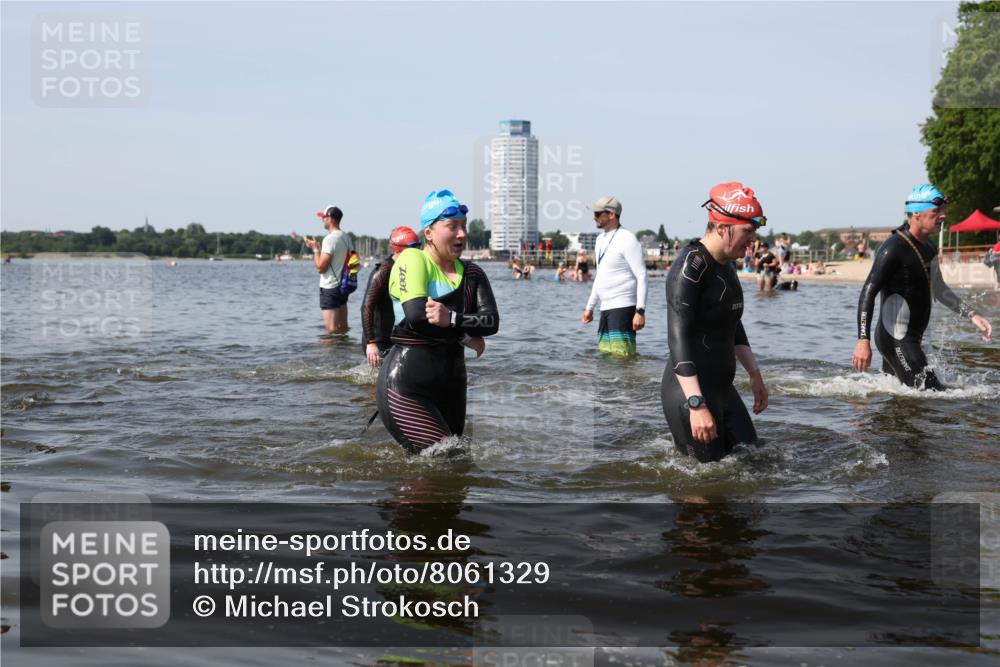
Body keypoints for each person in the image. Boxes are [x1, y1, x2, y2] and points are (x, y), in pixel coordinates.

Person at [376, 190, 500, 453]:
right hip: (406, 385)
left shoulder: (473, 273)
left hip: (452, 385)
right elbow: (418, 317)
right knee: (445, 456)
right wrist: (465, 336)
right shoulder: (414, 259)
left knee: (454, 466)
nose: (462, 234)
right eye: (452, 226)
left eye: (463, 227)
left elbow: (490, 322)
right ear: (429, 232)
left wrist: (452, 319)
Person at [661, 182, 769, 462]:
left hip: (722, 390)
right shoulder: (690, 268)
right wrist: (696, 405)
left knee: (755, 461)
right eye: (748, 230)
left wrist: (754, 374)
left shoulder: (727, 263)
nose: (753, 239)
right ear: (723, 227)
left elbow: (732, 322)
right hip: (690, 394)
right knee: (704, 490)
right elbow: (678, 338)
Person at [852, 184, 993, 390]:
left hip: (911, 339)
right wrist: (862, 341)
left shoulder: (928, 247)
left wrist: (972, 314)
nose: (943, 216)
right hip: (896, 339)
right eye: (936, 211)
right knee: (935, 395)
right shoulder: (893, 248)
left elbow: (939, 288)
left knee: (900, 398)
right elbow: (868, 291)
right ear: (916, 214)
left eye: (943, 211)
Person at [581, 196, 648, 357]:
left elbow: (642, 275)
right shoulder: (599, 240)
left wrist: (640, 311)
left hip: (623, 306)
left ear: (611, 214)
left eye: (598, 213)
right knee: (605, 358)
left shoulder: (627, 239)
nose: (594, 217)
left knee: (622, 358)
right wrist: (590, 307)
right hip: (605, 307)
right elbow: (600, 276)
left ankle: (629, 383)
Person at [361, 226, 421, 367]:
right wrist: (371, 343)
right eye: (413, 249)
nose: (417, 253)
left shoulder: (406, 268)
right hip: (377, 338)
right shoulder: (383, 271)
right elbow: (366, 307)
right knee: (378, 384)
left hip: (393, 335)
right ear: (398, 249)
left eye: (418, 248)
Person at [304, 205, 352, 334]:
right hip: (343, 286)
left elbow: (321, 267)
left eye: (324, 217)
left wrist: (315, 250)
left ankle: (329, 354)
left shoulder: (330, 239)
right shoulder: (346, 237)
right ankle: (343, 352)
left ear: (330, 219)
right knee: (342, 328)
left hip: (330, 287)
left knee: (331, 330)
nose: (322, 220)